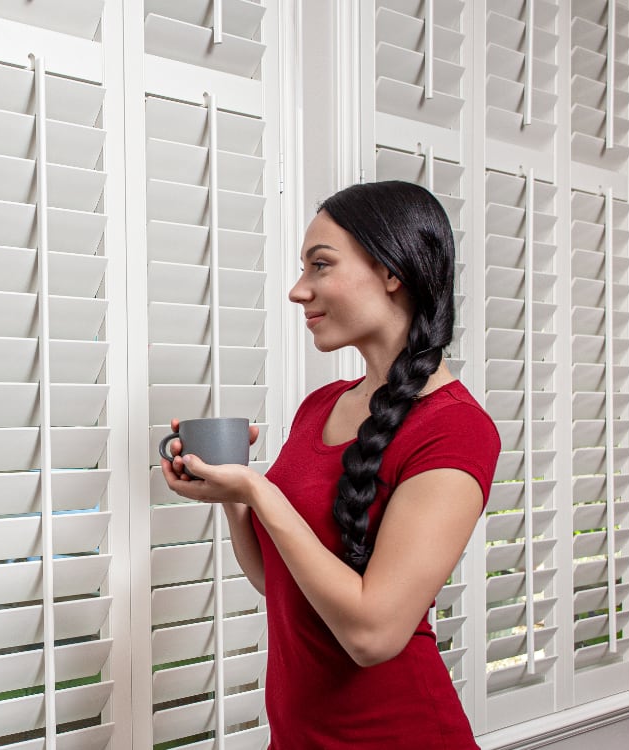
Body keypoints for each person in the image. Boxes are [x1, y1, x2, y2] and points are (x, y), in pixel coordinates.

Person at [162, 180, 501, 748]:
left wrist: (259, 490)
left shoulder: (457, 429)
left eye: (320, 265)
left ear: (393, 271)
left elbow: (373, 634)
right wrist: (234, 499)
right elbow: (279, 583)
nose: (299, 290)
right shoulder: (321, 406)